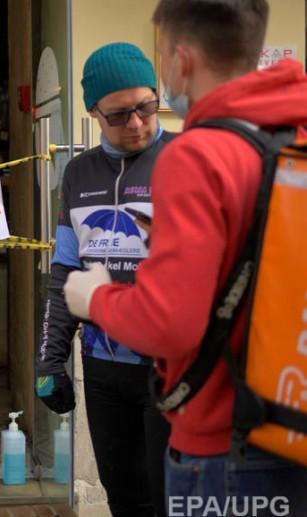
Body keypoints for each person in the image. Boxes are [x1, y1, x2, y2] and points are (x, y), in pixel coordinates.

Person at [63, 1, 307, 513]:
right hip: (290, 422)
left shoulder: (195, 154)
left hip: (221, 436)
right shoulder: (295, 135)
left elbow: (169, 325)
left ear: (179, 60)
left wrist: (96, 298)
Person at [35, 43, 172, 517]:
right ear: (93, 111)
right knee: (126, 501)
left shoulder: (189, 160)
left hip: (171, 368)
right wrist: (51, 360)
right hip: (101, 365)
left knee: (173, 503)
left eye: (146, 108)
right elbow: (65, 271)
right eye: (118, 115)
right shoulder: (77, 174)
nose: (136, 123)